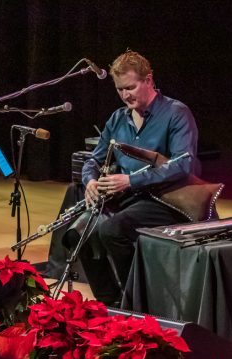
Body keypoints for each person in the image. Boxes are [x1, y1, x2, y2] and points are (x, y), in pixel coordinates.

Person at [62, 49, 199, 306]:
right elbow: (94, 159)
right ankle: (111, 303)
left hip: (166, 200)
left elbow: (184, 164)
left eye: (131, 87)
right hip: (131, 199)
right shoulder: (118, 118)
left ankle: (137, 302)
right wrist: (89, 181)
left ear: (148, 80)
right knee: (77, 233)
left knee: (113, 229)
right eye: (120, 89)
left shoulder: (176, 113)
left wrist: (130, 181)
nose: (125, 95)